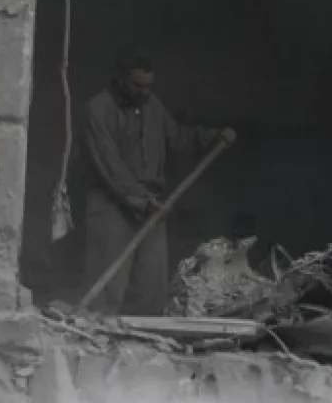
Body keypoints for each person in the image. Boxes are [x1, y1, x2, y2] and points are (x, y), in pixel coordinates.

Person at [81, 54, 236, 315]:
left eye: (149, 86)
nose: (145, 92)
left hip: (153, 202)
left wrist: (213, 137)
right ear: (120, 80)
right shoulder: (98, 110)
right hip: (113, 201)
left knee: (151, 282)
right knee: (109, 282)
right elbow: (110, 166)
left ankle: (142, 344)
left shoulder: (153, 105)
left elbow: (176, 137)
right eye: (138, 86)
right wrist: (141, 200)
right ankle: (97, 338)